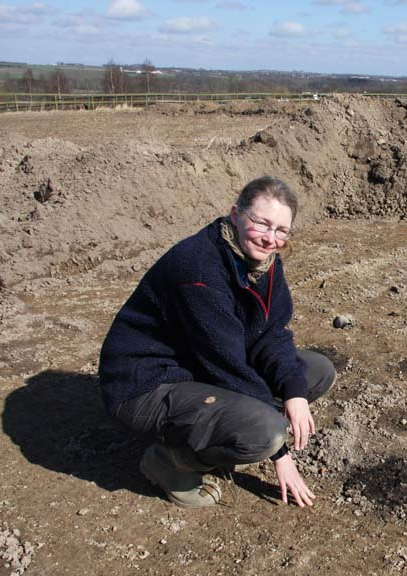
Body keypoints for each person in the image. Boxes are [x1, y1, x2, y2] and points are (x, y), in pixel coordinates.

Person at [98, 176, 334, 509]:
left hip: (197, 362)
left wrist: (294, 392)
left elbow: (272, 334)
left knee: (315, 371)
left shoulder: (263, 263)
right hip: (146, 383)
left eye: (281, 230)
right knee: (265, 431)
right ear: (235, 214)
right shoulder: (198, 268)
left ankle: (229, 429)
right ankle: (171, 461)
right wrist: (279, 451)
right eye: (261, 223)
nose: (270, 239)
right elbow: (227, 364)